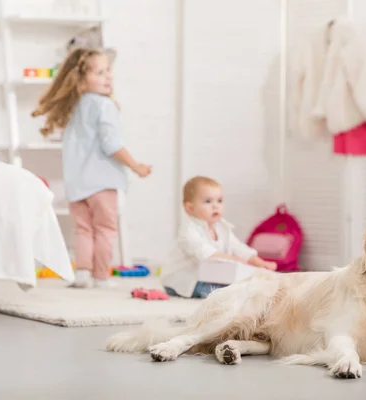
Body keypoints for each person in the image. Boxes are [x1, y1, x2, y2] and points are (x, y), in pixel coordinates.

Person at [32, 48, 151, 288]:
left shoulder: (76, 107)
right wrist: (136, 166)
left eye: (108, 71)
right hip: (103, 182)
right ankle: (101, 277)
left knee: (83, 230)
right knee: (105, 229)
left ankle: (83, 274)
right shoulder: (104, 105)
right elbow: (112, 144)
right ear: (81, 79)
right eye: (100, 72)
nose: (108, 77)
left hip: (77, 183)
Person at [162, 176, 277, 298]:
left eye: (219, 201)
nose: (215, 206)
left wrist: (259, 263)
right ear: (190, 208)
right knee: (223, 291)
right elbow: (205, 254)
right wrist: (233, 259)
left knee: (239, 283)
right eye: (208, 201)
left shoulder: (222, 227)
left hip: (209, 276)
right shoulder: (188, 230)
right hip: (185, 281)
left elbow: (238, 248)